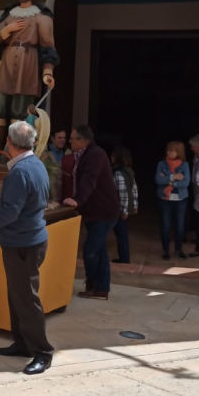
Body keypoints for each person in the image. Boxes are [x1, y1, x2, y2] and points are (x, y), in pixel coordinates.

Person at [0, 120, 53, 375]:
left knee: (26, 298)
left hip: (23, 242)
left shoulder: (20, 171)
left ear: (9, 143)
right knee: (17, 295)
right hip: (28, 239)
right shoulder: (36, 164)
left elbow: (10, 213)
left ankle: (43, 351)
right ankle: (22, 342)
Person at [0, 0, 59, 146]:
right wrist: (8, 29)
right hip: (7, 65)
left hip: (28, 65)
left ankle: (14, 147)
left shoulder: (42, 17)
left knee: (19, 110)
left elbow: (48, 46)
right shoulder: (10, 15)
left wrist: (47, 71)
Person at [62, 125, 121, 299]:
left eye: (72, 138)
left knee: (91, 250)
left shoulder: (95, 155)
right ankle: (101, 288)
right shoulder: (83, 155)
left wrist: (77, 200)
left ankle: (94, 285)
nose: (69, 141)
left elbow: (89, 180)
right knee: (99, 249)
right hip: (94, 211)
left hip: (104, 211)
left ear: (82, 141)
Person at [155, 141, 190, 260]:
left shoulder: (184, 165)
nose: (168, 152)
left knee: (179, 226)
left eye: (172, 150)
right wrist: (174, 177)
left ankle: (178, 249)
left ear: (178, 152)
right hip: (165, 198)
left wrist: (169, 182)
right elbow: (158, 180)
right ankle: (166, 250)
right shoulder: (161, 164)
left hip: (180, 199)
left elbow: (186, 182)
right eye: (168, 150)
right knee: (166, 225)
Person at [111, 145, 138, 264]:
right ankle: (124, 257)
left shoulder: (118, 173)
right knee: (122, 233)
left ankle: (124, 258)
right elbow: (134, 189)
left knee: (120, 234)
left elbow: (123, 193)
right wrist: (135, 204)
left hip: (118, 209)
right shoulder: (129, 171)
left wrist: (124, 210)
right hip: (123, 208)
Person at [42, 127, 70, 201]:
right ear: (52, 138)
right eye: (59, 138)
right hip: (48, 195)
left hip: (64, 194)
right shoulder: (44, 153)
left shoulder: (68, 153)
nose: (62, 140)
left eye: (64, 138)